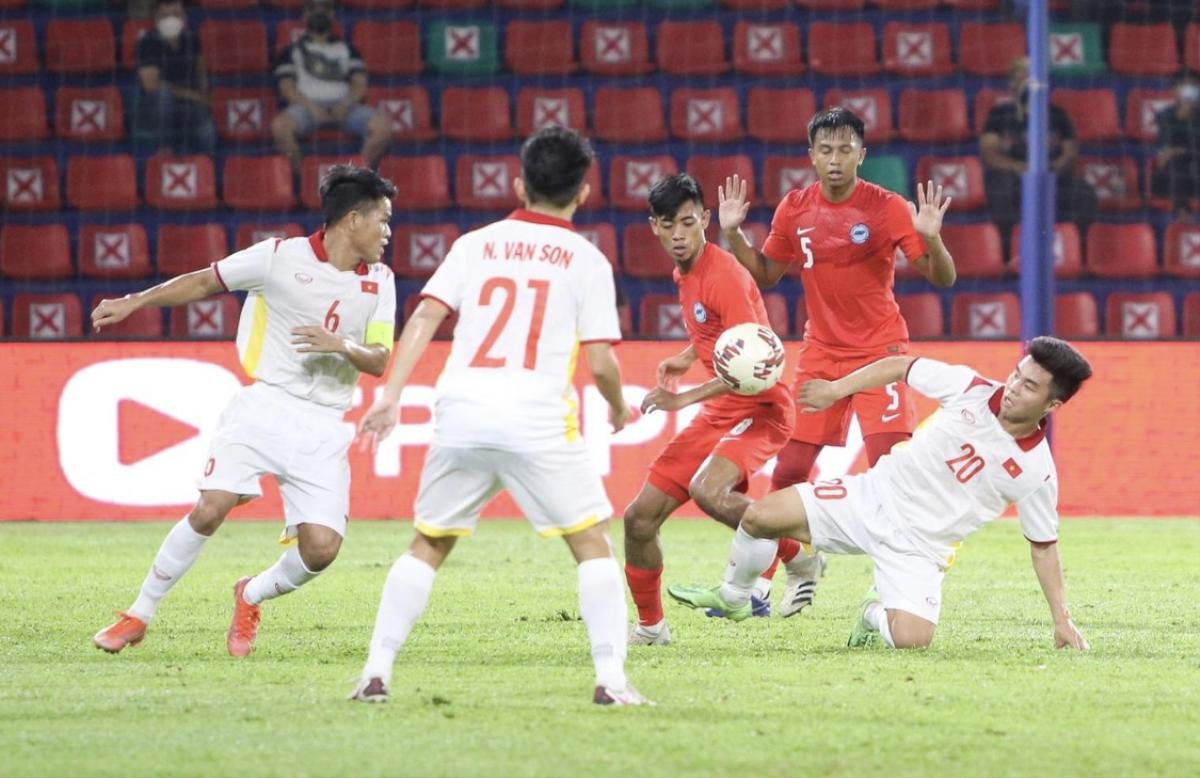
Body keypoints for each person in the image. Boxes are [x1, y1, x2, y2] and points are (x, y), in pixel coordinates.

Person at [351, 127, 647, 706]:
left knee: (428, 544)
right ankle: (611, 681)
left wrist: (390, 394)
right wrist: (615, 407)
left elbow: (425, 318)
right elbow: (603, 361)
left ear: (519, 183)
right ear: (584, 193)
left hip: (461, 410)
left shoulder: (475, 244)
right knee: (591, 544)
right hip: (536, 417)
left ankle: (375, 673)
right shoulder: (586, 260)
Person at [91, 165, 398, 658]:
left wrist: (339, 345)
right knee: (212, 506)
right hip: (265, 405)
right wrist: (134, 301)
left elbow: (381, 360)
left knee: (322, 550)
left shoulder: (380, 281)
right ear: (353, 219)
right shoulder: (277, 257)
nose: (388, 232)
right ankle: (138, 614)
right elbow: (202, 283)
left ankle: (250, 594)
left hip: (323, 425)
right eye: (383, 220)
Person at [669, 337, 1093, 652]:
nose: (1015, 386)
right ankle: (735, 596)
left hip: (921, 547)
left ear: (1052, 405)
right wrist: (837, 390)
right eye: (1017, 374)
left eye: (1030, 386)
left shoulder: (1037, 472)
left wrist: (1062, 620)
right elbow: (900, 365)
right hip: (870, 497)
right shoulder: (970, 387)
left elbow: (1043, 547)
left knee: (913, 641)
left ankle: (874, 610)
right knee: (759, 516)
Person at [718, 107, 956, 618]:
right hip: (821, 354)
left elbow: (943, 279)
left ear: (861, 155)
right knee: (789, 472)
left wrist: (932, 237)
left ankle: (893, 591)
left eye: (845, 149)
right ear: (811, 155)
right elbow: (766, 273)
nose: (834, 159)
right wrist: (735, 236)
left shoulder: (887, 208)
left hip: (882, 354)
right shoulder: (795, 209)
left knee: (893, 474)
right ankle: (770, 580)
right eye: (825, 150)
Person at [622, 173, 795, 647]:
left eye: (687, 222)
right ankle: (652, 628)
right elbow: (719, 340)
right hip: (726, 407)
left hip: (760, 406)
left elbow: (754, 366)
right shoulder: (686, 271)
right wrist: (686, 356)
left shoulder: (726, 277)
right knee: (638, 520)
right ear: (653, 226)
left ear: (705, 219)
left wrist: (682, 398)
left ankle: (798, 551)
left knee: (708, 492)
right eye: (667, 225)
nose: (677, 235)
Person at [980, 57, 1098, 254]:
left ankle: (1077, 250)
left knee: (1083, 193)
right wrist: (1017, 167)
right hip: (1014, 175)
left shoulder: (1056, 113)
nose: (1027, 79)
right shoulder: (1000, 113)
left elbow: (1070, 151)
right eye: (1021, 74)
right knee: (1002, 190)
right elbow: (990, 153)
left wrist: (1056, 165)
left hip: (1051, 174)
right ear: (1012, 83)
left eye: (1031, 74)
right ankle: (1011, 251)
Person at [271, 0, 392, 174]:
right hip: (305, 107)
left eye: (325, 8)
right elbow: (287, 88)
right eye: (313, 8)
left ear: (333, 14)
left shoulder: (348, 49)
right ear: (304, 14)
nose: (319, 13)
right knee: (280, 127)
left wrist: (345, 104)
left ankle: (354, 179)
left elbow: (359, 85)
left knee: (383, 128)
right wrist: (312, 108)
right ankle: (306, 179)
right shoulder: (290, 51)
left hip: (345, 105)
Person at [134, 0, 217, 155]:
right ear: (156, 18)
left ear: (184, 17)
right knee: (163, 98)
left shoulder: (192, 38)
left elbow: (201, 71)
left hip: (188, 105)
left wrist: (204, 94)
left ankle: (205, 167)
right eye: (165, 15)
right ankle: (165, 150)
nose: (171, 19)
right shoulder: (147, 43)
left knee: (206, 131)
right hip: (155, 110)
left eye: (176, 14)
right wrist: (194, 95)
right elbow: (151, 85)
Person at [1151, 71, 1200, 219]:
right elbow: (1164, 153)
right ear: (1175, 90)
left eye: (1193, 86)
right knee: (1176, 162)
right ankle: (1182, 212)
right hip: (1171, 178)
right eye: (1184, 86)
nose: (1189, 90)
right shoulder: (1164, 116)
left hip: (1196, 173)